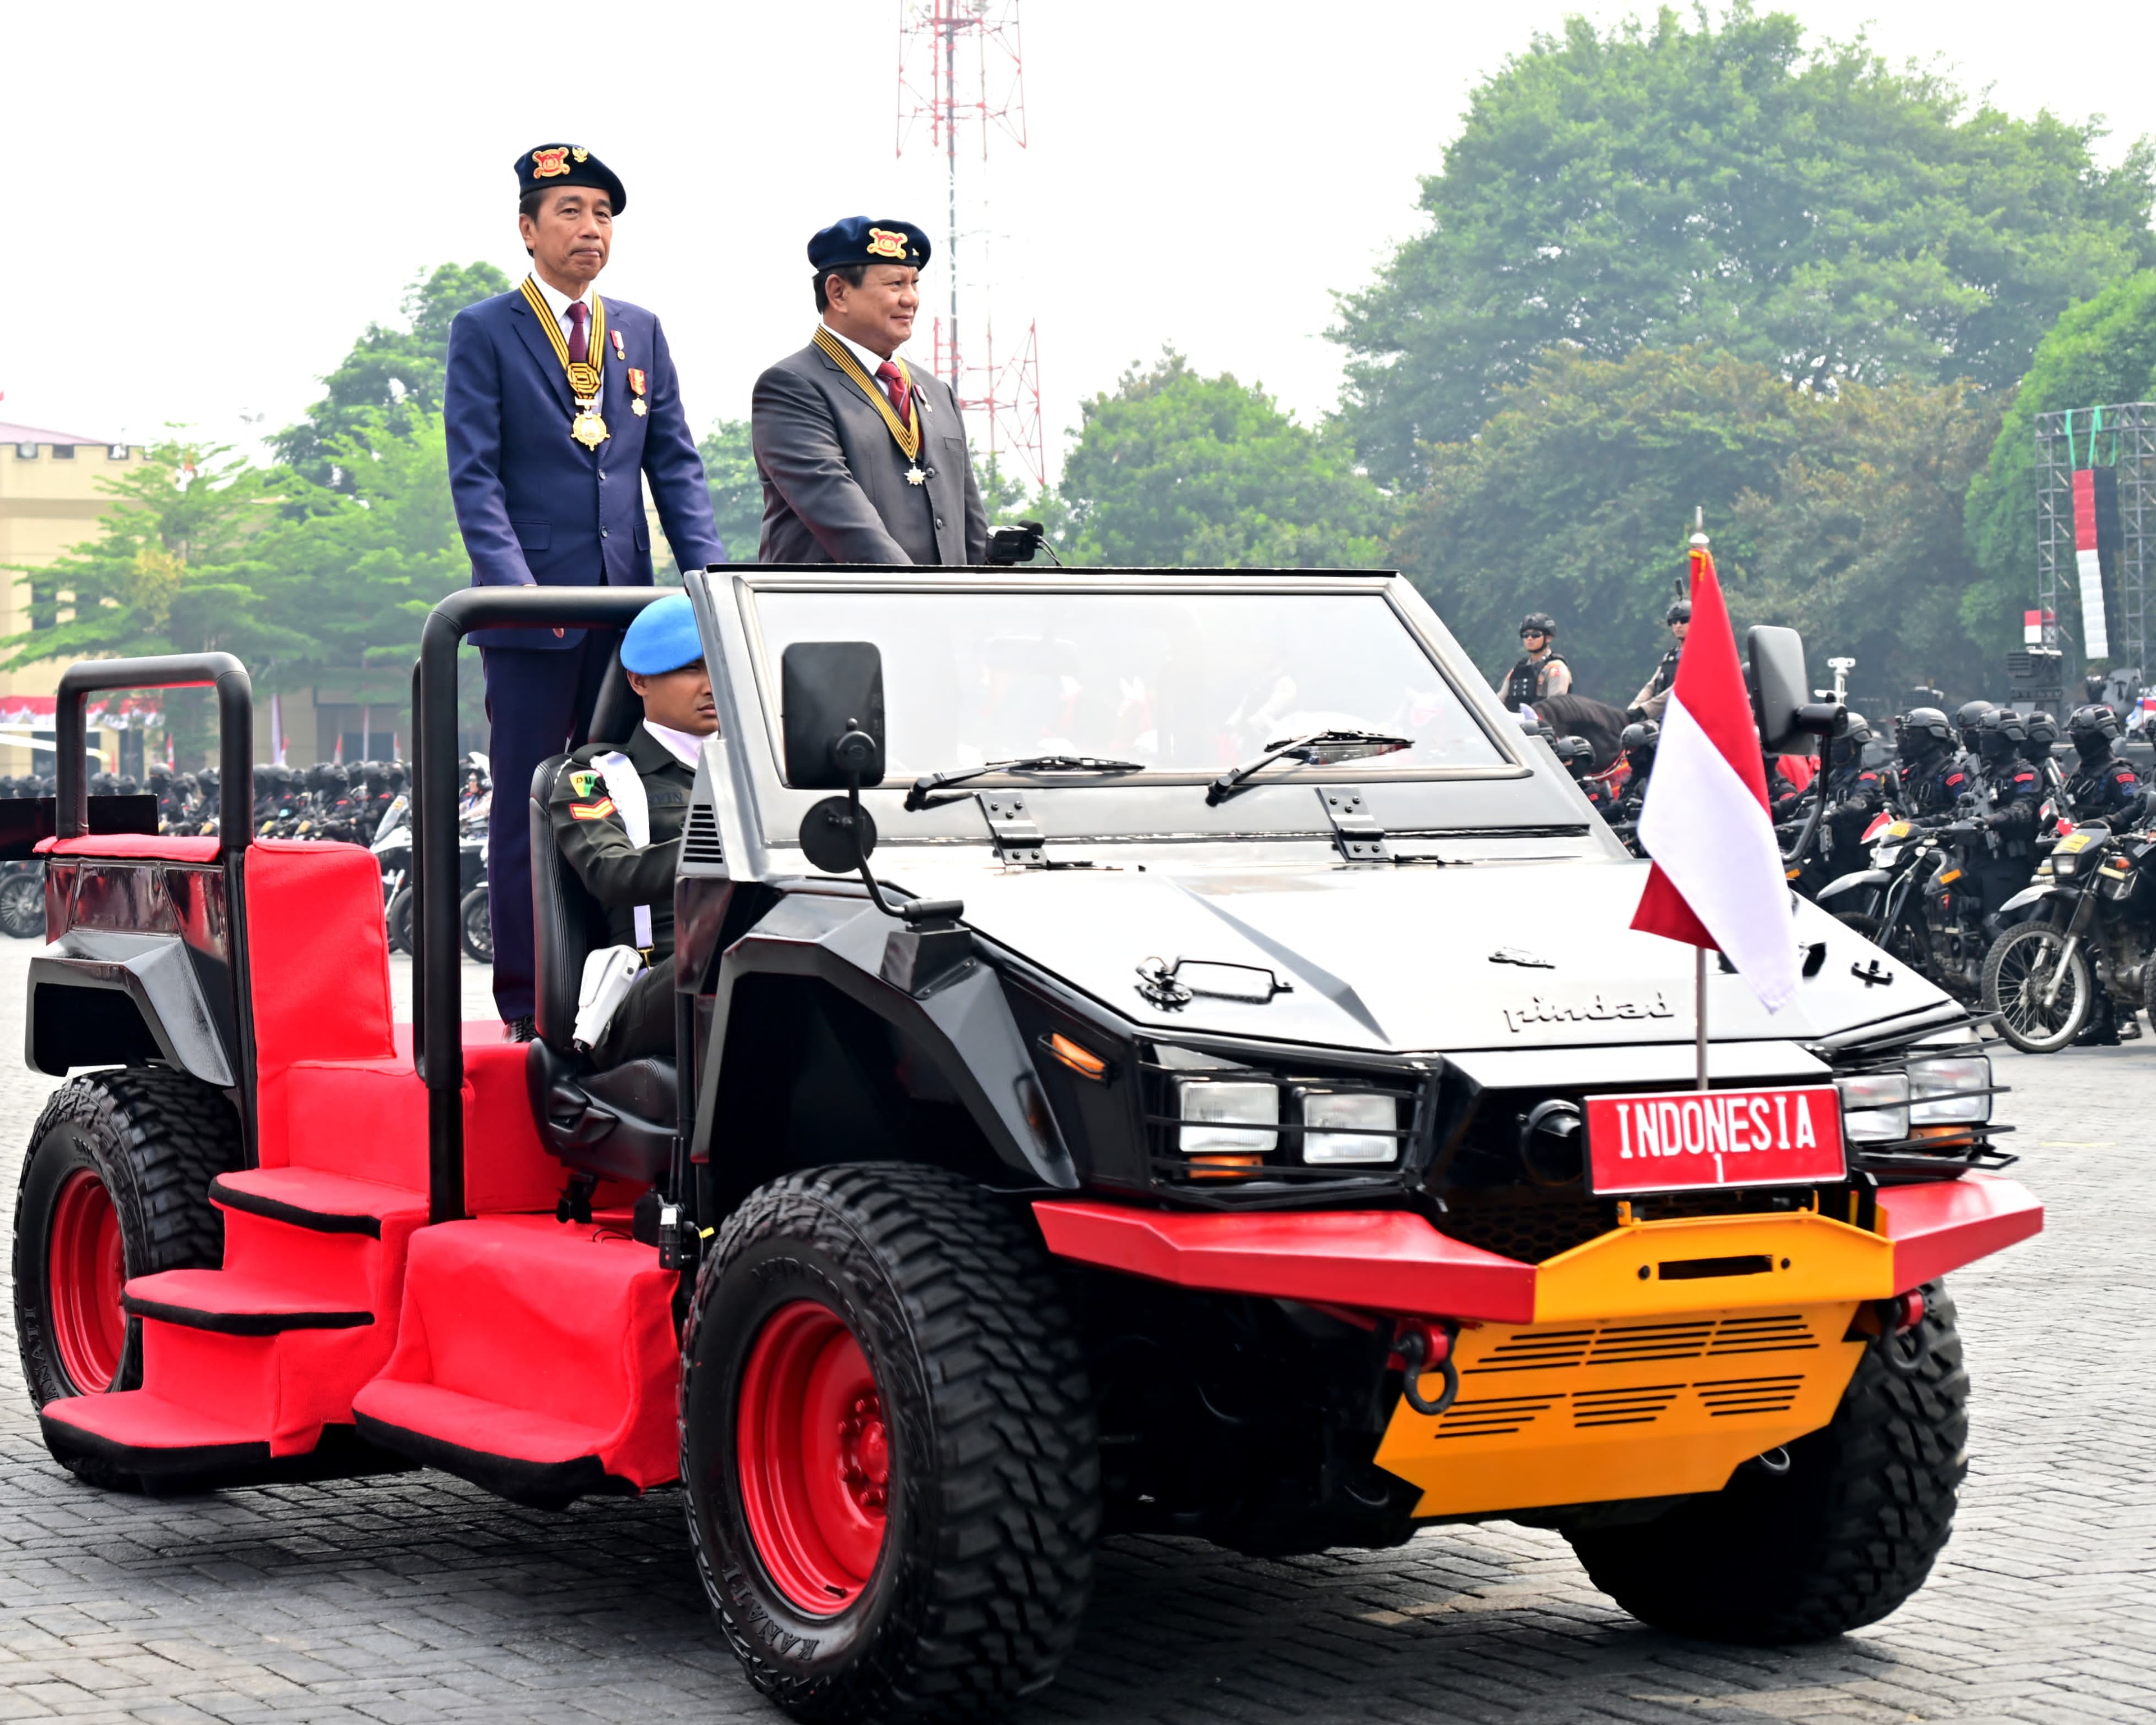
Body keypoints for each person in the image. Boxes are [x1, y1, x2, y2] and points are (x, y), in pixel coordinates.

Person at [445, 143, 724, 1039]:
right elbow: (476, 480)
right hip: (531, 625)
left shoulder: (638, 330)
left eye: (603, 213)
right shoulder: (487, 329)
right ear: (528, 229)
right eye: (569, 211)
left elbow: (676, 470)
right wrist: (518, 595)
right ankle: (530, 1004)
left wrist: (711, 589)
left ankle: (623, 991)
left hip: (627, 616)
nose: (589, 229)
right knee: (533, 804)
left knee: (625, 800)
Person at [752, 217, 988, 565]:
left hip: (941, 611)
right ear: (839, 293)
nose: (911, 299)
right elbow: (843, 518)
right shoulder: (792, 387)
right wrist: (926, 599)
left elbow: (971, 529)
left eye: (915, 283)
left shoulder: (937, 393)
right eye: (895, 284)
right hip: (837, 612)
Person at [547, 595, 712, 1067]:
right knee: (731, 954)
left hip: (766, 952)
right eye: (691, 669)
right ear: (639, 681)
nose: (713, 686)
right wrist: (732, 845)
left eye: (721, 667)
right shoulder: (598, 773)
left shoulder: (769, 769)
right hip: (654, 978)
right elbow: (611, 872)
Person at [2063, 704, 2143, 823]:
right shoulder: (2079, 772)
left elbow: (2137, 808)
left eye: (2083, 738)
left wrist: (2106, 822)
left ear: (2101, 736)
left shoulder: (2118, 774)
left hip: (2110, 839)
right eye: (2075, 738)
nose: (2078, 744)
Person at [1895, 708, 1971, 821]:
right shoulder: (1909, 773)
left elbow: (1961, 813)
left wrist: (1922, 823)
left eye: (1915, 734)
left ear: (1935, 735)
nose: (1909, 740)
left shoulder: (1952, 774)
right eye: (1908, 734)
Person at [1627, 600, 1689, 723]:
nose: (1678, 625)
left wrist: (1645, 710)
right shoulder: (1669, 657)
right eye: (1674, 622)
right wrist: (1633, 708)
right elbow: (1652, 686)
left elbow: (1679, 688)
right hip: (1663, 719)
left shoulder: (1699, 656)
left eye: (1684, 621)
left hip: (1687, 721)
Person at [1499, 613, 1572, 708]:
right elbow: (1500, 700)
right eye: (1526, 635)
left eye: (1535, 634)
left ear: (1549, 638)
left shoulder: (1555, 668)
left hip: (1543, 721)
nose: (1529, 639)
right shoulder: (1518, 670)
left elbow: (1556, 707)